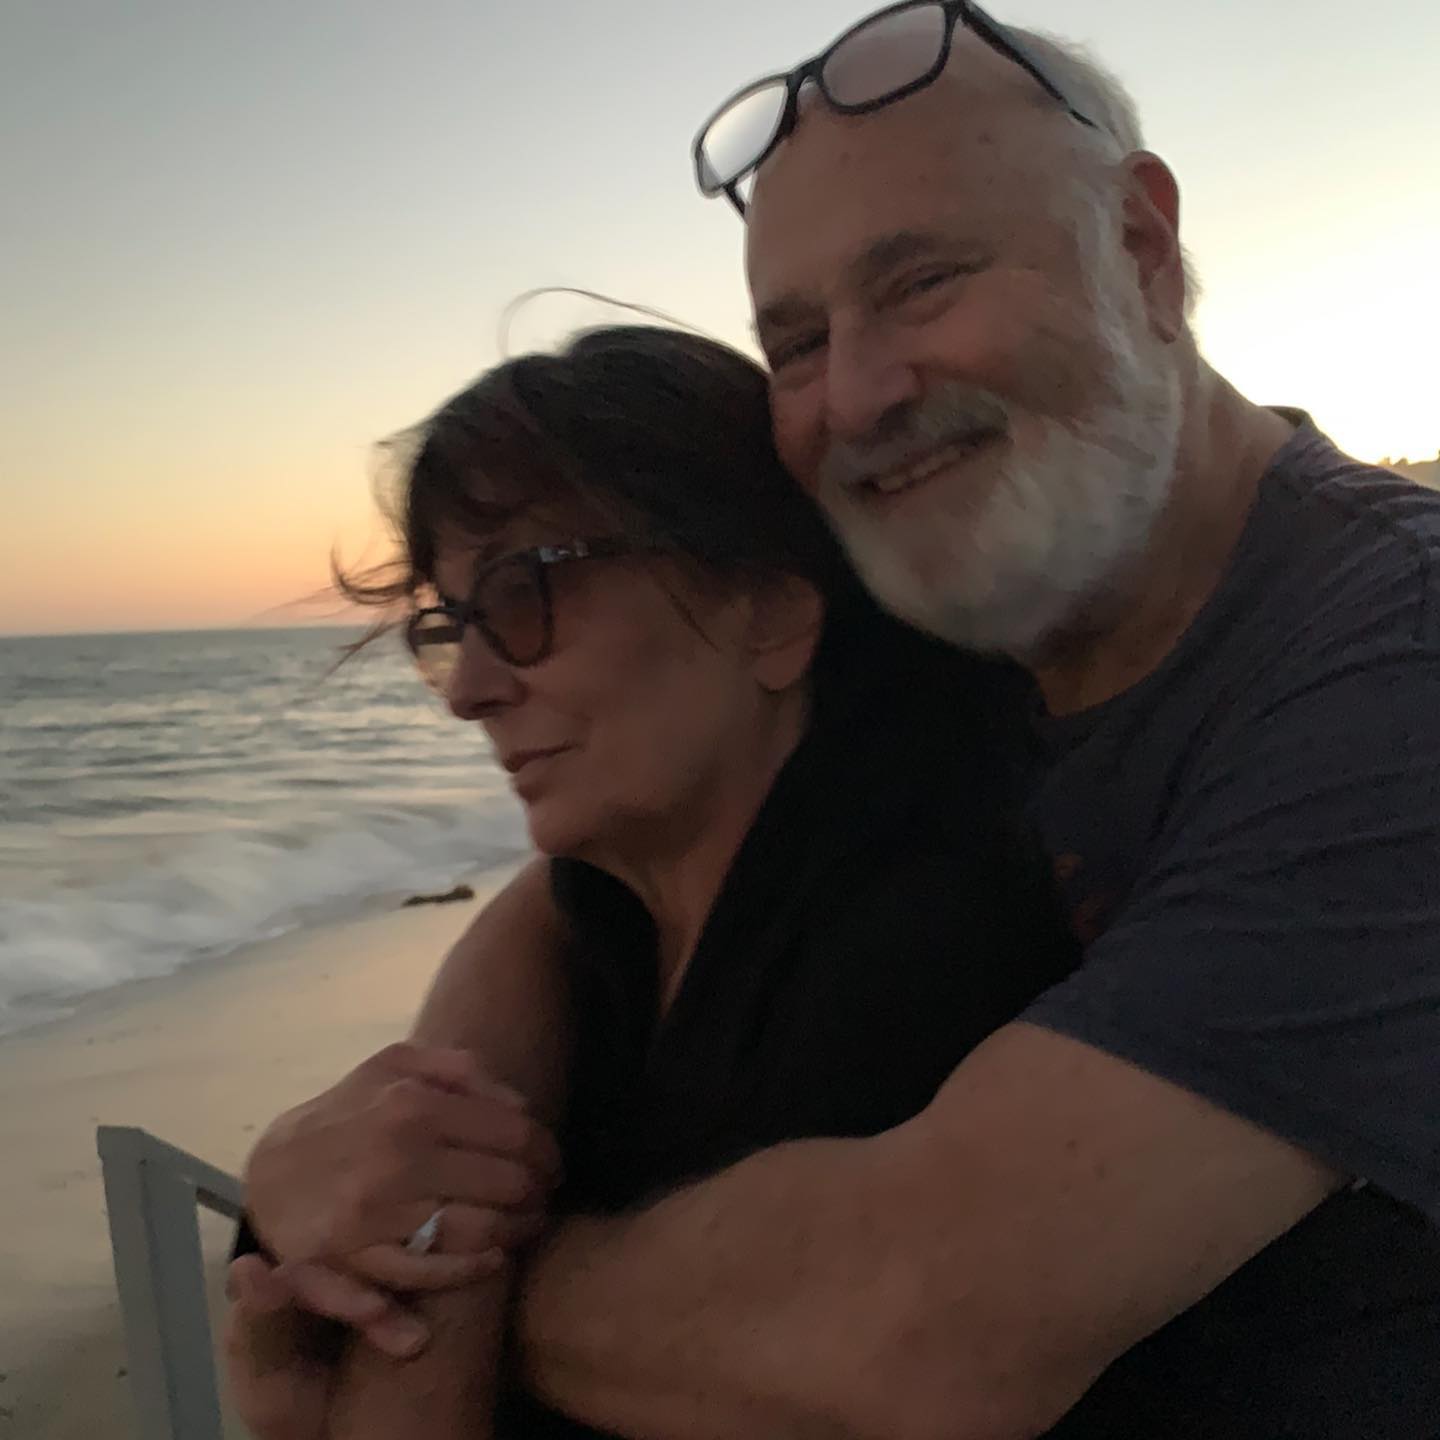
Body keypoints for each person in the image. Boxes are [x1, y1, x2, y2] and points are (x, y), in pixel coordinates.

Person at [235, 6, 1440, 1437]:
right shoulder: (980, 598)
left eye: (922, 280)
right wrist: (346, 1156)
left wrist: (455, 1277)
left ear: (1141, 244)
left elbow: (913, 1329)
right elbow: (576, 885)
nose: (860, 394)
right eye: (796, 340)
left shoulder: (1390, 653)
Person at [225, 321, 1080, 1437]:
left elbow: (846, 1359)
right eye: (450, 625)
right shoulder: (599, 928)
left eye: (527, 592)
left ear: (769, 612)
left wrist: (413, 1319)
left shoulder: (938, 946)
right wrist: (286, 1204)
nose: (467, 689)